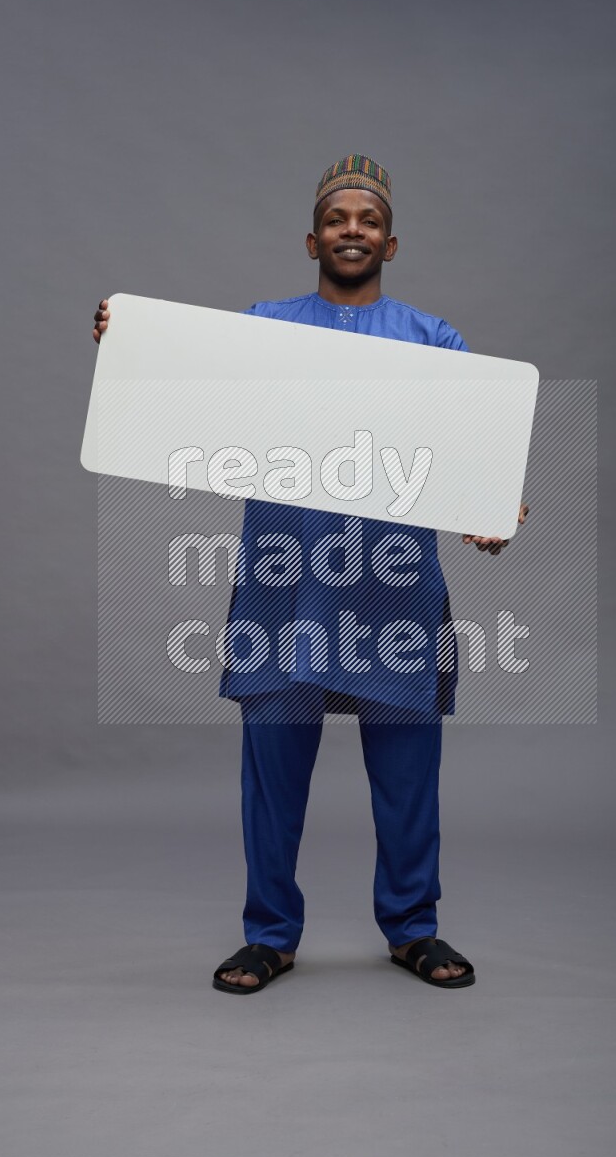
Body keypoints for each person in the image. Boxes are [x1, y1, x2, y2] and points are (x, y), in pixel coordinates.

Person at [92, 154, 528, 993]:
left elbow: (478, 445)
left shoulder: (432, 340)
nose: (351, 230)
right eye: (337, 219)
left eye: (368, 221)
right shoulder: (263, 328)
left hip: (394, 591)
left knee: (408, 775)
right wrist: (128, 343)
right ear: (312, 239)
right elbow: (187, 392)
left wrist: (496, 506)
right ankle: (269, 933)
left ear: (390, 243)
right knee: (273, 772)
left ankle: (413, 927)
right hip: (285, 586)